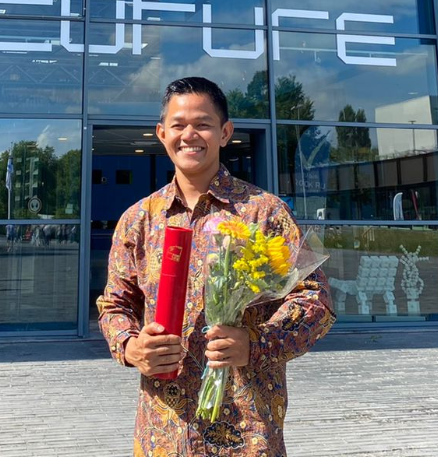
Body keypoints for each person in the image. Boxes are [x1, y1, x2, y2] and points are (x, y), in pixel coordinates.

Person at [97, 76, 335, 457]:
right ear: (161, 133)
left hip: (247, 433)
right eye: (178, 124)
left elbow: (316, 302)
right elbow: (115, 304)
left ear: (225, 133)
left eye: (203, 124)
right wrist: (130, 346)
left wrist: (255, 343)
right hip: (164, 432)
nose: (189, 135)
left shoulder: (263, 213)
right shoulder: (138, 220)